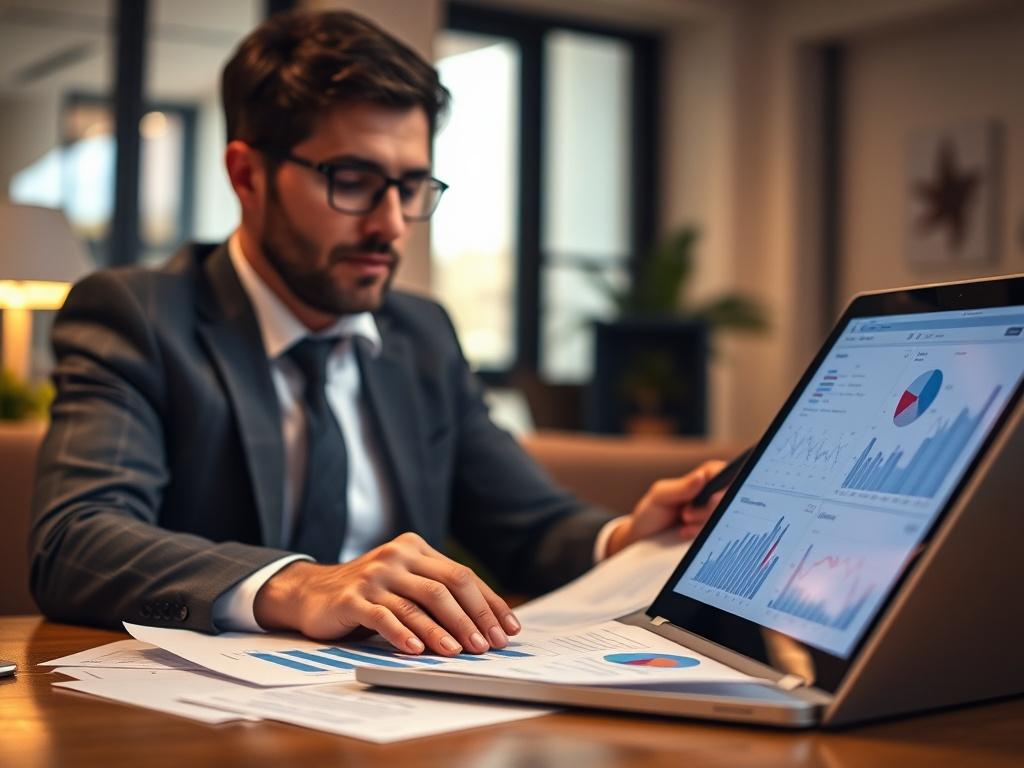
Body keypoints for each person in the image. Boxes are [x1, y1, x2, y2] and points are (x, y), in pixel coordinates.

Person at [28, 10, 726, 657]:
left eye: (411, 186)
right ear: (247, 175)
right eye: (353, 180)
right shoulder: (141, 316)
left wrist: (628, 539)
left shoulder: (420, 333)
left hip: (403, 711)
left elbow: (528, 523)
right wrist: (297, 585)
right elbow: (76, 540)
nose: (390, 224)